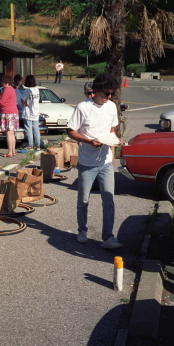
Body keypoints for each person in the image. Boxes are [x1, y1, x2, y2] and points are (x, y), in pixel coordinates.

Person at [67, 73, 122, 249]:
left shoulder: (111, 106)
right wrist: (89, 141)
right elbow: (71, 131)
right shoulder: (83, 107)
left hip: (105, 161)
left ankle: (108, 238)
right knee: (83, 200)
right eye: (106, 93)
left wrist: (113, 138)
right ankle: (82, 230)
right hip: (86, 162)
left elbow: (112, 127)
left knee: (109, 200)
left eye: (111, 93)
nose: (109, 97)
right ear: (96, 91)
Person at [0, 75, 19, 158]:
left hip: (7, 113)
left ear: (6, 83)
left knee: (8, 133)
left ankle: (9, 152)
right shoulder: (12, 89)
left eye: (3, 83)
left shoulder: (6, 90)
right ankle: (13, 151)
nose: (2, 85)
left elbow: (2, 102)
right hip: (13, 112)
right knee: (12, 133)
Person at [21, 74, 41, 150]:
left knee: (28, 129)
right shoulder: (37, 90)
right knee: (36, 129)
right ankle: (38, 145)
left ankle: (30, 145)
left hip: (28, 112)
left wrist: (24, 103)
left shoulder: (27, 90)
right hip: (36, 111)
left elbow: (23, 100)